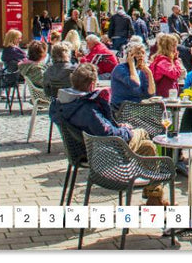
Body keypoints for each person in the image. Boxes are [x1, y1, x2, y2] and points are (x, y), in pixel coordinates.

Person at [51, 63, 166, 205]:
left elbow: (101, 128)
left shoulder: (63, 104)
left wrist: (117, 126)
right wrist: (125, 130)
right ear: (92, 84)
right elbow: (108, 134)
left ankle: (154, 195)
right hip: (104, 152)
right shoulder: (86, 108)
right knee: (142, 132)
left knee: (148, 146)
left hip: (81, 150)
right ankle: (154, 194)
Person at [109, 41, 156, 110]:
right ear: (129, 55)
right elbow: (134, 83)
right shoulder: (120, 69)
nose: (141, 55)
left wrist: (149, 73)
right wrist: (131, 64)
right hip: (121, 108)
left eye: (143, 53)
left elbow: (150, 93)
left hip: (137, 107)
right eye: (137, 53)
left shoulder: (141, 71)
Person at [149, 33, 186, 98]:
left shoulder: (165, 60)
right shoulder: (163, 62)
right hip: (165, 94)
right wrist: (175, 60)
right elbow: (175, 74)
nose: (176, 49)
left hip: (170, 92)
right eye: (174, 46)